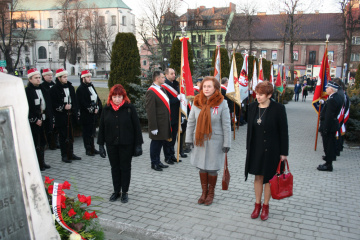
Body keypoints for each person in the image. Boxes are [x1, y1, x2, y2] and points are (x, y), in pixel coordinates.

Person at [245, 81, 289, 221]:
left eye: (261, 94)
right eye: (257, 93)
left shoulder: (278, 108)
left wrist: (283, 152)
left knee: (269, 179)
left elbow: (284, 131)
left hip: (272, 150)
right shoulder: (252, 107)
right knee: (257, 177)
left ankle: (265, 206)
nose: (257, 96)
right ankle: (257, 205)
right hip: (255, 148)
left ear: (269, 95)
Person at [185, 76, 231, 206]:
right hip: (199, 141)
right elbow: (191, 122)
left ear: (216, 88)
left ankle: (211, 193)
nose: (206, 89)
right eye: (204, 86)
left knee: (212, 169)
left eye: (209, 86)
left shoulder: (222, 103)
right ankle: (203, 192)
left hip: (215, 141)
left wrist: (227, 143)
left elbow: (226, 125)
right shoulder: (196, 101)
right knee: (202, 168)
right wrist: (188, 140)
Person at [97, 84, 143, 203]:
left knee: (125, 168)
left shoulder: (129, 108)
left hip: (126, 144)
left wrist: (138, 144)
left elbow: (137, 127)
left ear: (123, 97)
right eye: (115, 96)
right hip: (111, 144)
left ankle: (125, 192)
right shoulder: (106, 109)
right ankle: (116, 191)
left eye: (119, 96)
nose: (117, 99)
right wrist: (101, 145)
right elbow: (101, 127)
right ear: (111, 97)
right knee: (115, 168)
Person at [50, 68, 81, 163]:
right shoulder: (54, 89)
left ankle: (71, 153)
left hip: (70, 115)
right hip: (61, 116)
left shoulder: (70, 87)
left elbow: (75, 101)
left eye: (66, 77)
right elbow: (53, 104)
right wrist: (63, 107)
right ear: (59, 78)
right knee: (63, 136)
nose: (66, 78)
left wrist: (75, 111)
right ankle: (64, 155)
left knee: (70, 135)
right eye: (64, 77)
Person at [25, 68, 52, 171]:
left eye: (39, 77)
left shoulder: (43, 89)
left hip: (44, 118)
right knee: (36, 142)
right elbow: (27, 108)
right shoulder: (27, 91)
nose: (38, 79)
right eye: (36, 78)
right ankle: (37, 163)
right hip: (35, 121)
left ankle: (42, 161)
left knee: (43, 142)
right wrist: (34, 119)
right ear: (30, 79)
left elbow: (48, 104)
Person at [145, 71, 171, 171]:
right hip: (157, 123)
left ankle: (158, 161)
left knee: (160, 143)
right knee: (155, 144)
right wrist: (153, 127)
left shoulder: (162, 89)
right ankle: (154, 163)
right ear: (157, 79)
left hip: (163, 123)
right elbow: (150, 111)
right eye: (162, 77)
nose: (164, 79)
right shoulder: (151, 91)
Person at [318, 81, 344, 171]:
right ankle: (328, 162)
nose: (326, 89)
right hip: (332, 125)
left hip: (329, 126)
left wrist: (325, 129)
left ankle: (328, 165)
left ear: (331, 89)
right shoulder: (335, 97)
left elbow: (329, 115)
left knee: (328, 146)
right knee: (329, 145)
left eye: (327, 88)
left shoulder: (332, 99)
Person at [76, 70, 102, 156]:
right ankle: (88, 149)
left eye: (90, 77)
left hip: (93, 114)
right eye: (87, 77)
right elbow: (82, 103)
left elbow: (97, 98)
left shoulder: (91, 86)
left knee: (92, 132)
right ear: (83, 78)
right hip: (86, 115)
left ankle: (92, 148)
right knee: (86, 132)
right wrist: (91, 109)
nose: (89, 78)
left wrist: (98, 107)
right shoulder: (80, 89)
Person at [161, 68, 182, 164]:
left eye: (174, 73)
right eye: (171, 73)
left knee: (173, 137)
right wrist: (177, 99)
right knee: (168, 138)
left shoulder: (176, 85)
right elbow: (166, 102)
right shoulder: (164, 87)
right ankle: (167, 157)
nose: (174, 75)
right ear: (166, 75)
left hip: (176, 114)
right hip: (168, 115)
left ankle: (172, 154)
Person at [41, 68, 59, 150]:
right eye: (48, 75)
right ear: (44, 76)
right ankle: (50, 143)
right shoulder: (42, 86)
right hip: (47, 109)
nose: (50, 77)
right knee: (49, 127)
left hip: (55, 108)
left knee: (55, 127)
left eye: (51, 75)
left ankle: (56, 142)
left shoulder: (54, 84)